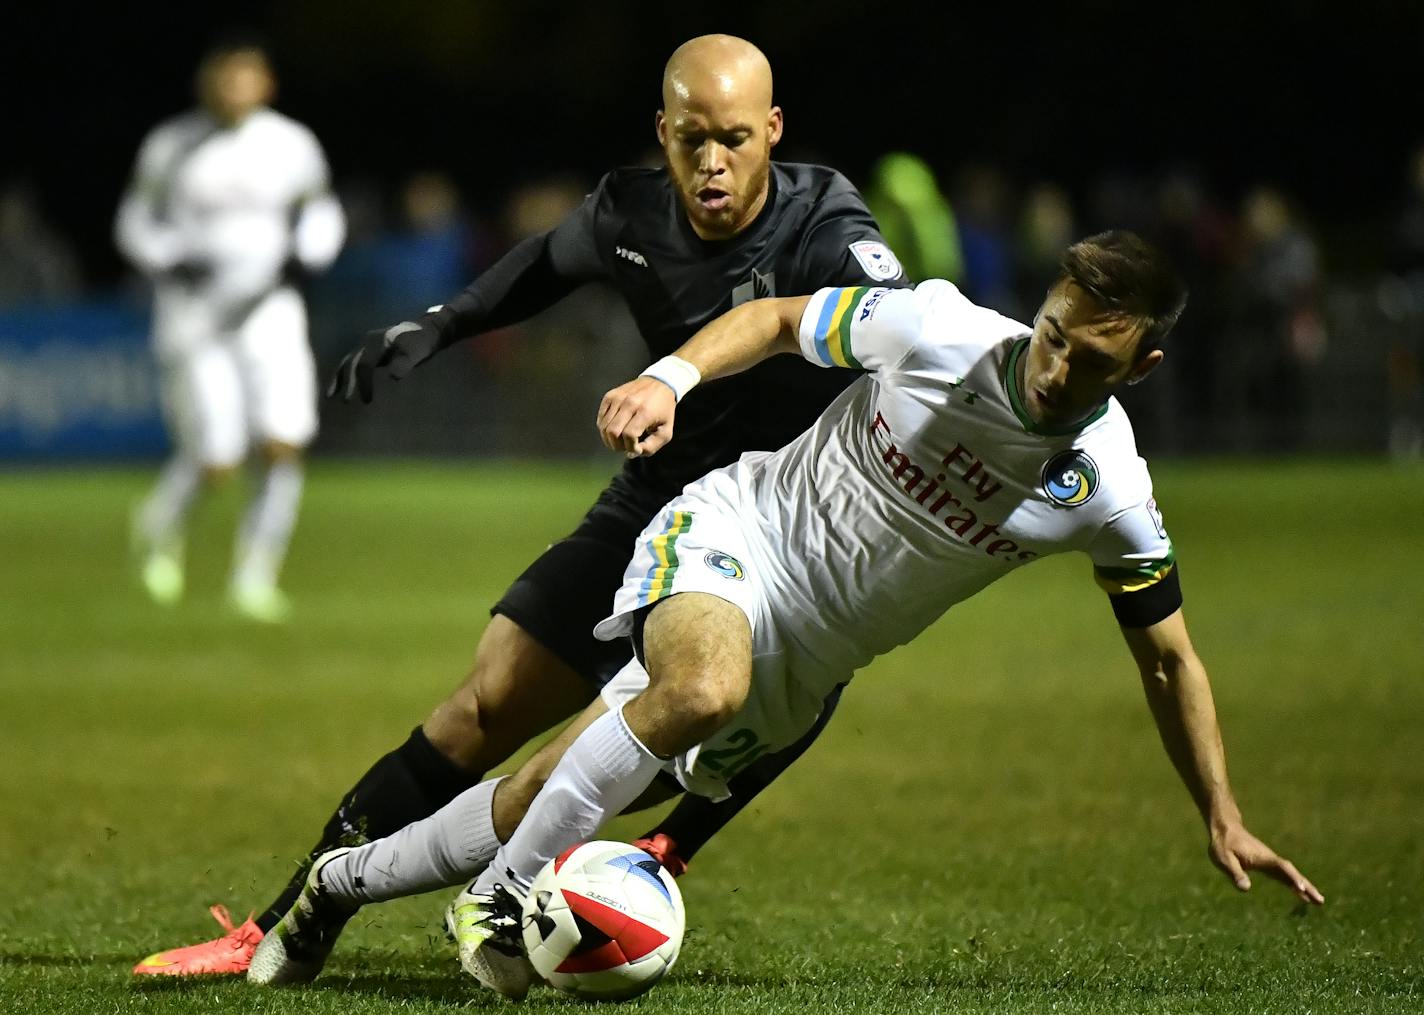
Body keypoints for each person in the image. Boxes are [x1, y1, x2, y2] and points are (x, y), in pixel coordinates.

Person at [245, 232, 1323, 999]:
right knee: (693, 687)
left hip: (806, 665)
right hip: (734, 537)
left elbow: (1169, 658)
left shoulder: (1108, 490)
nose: (1051, 368)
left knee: (541, 788)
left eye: (1087, 361)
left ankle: (338, 886)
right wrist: (669, 376)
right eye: (1049, 333)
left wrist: (1218, 813)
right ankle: (502, 894)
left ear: (1140, 365)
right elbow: (769, 320)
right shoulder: (938, 329)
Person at [133, 34, 905, 977]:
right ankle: (286, 918)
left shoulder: (825, 219)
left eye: (736, 140)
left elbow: (897, 330)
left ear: (774, 131)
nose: (712, 164)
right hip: (658, 502)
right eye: (692, 138)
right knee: (483, 703)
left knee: (656, 750)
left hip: (784, 538)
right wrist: (437, 325)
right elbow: (542, 263)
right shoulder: (630, 210)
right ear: (661, 133)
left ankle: (619, 868)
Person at [117, 38, 345, 622]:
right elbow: (136, 221)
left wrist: (307, 254)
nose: (233, 90)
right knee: (216, 453)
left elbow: (321, 212)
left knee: (282, 441)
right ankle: (158, 527)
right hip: (197, 314)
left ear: (265, 85)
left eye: (245, 79)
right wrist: (169, 258)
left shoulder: (290, 144)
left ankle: (255, 576)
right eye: (224, 78)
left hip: (270, 308)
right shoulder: (173, 145)